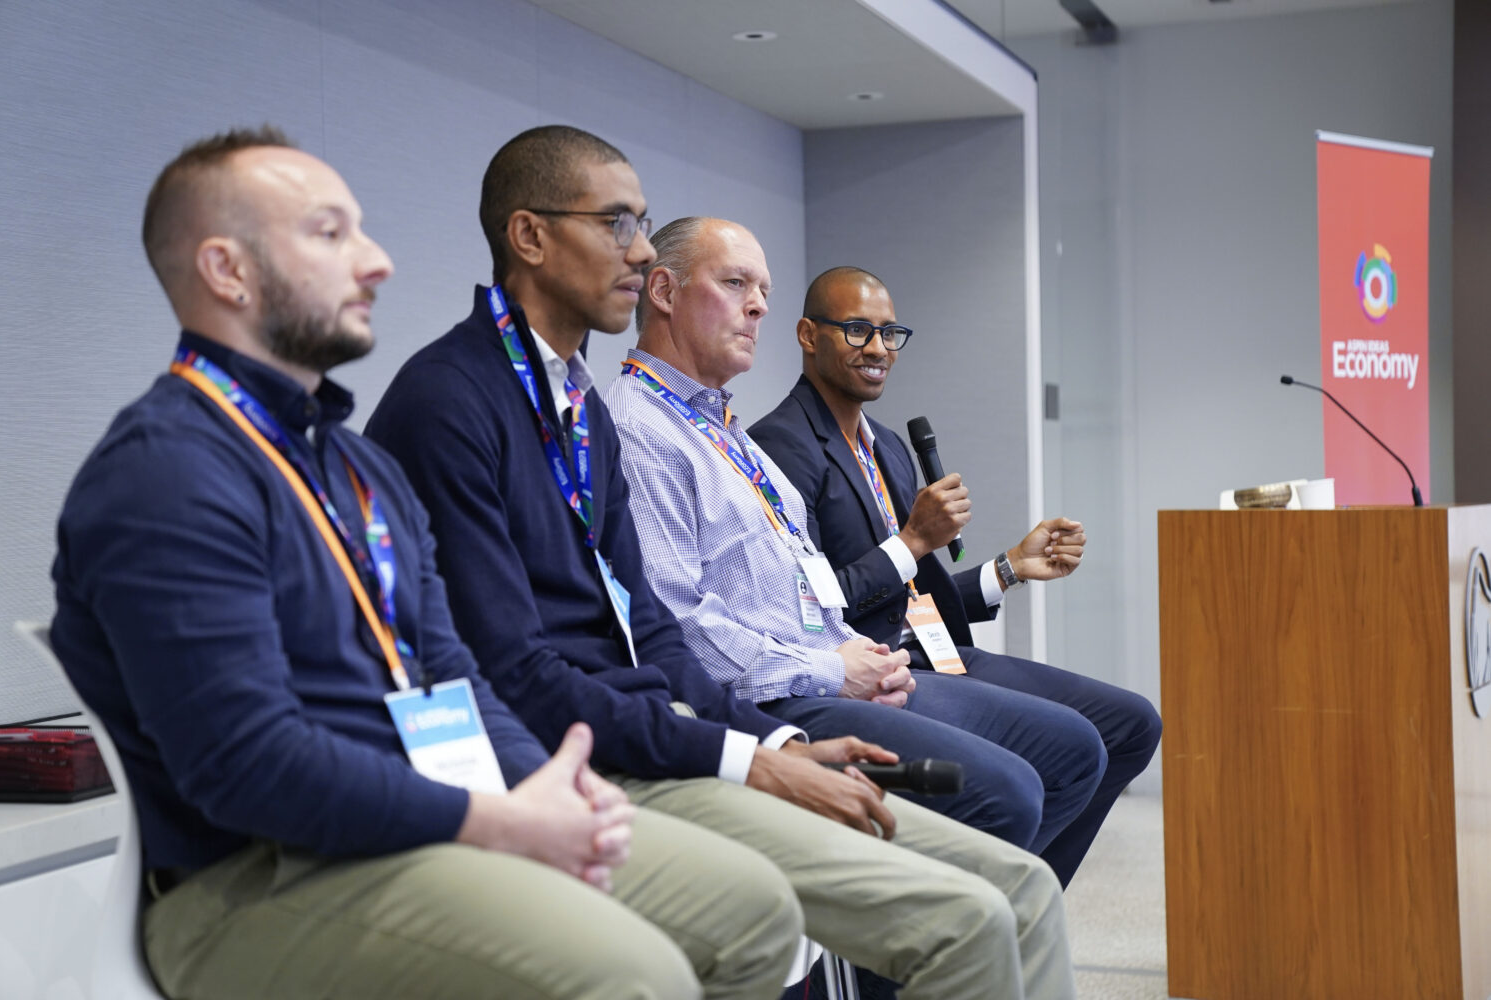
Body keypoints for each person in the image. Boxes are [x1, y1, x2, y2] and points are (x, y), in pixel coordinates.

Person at [49, 126, 806, 1000]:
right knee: (634, 975)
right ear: (227, 270)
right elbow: (248, 765)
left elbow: (455, 677)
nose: (376, 261)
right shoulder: (166, 471)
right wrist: (492, 817)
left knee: (752, 911)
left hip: (423, 822)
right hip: (259, 877)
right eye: (330, 233)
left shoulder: (355, 467)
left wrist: (542, 789)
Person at [366, 125, 1075, 1000]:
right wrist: (746, 751)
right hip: (590, 752)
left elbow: (649, 627)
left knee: (1023, 891)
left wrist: (767, 741)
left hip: (679, 718)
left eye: (642, 224)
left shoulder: (579, 408)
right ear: (530, 236)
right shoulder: (456, 402)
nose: (638, 251)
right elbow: (519, 668)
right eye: (617, 224)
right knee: (938, 905)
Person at [604, 216, 1104, 866]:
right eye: (735, 283)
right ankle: (943, 922)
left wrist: (858, 651)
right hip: (777, 696)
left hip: (852, 661)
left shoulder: (731, 430)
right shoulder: (643, 430)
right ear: (665, 291)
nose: (757, 306)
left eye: (763, 290)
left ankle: (981, 912)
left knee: (1077, 748)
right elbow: (678, 624)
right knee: (1008, 791)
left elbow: (807, 586)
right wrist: (838, 668)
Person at [748, 265, 1162, 886]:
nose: (878, 348)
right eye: (858, 330)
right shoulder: (778, 447)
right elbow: (812, 608)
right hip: (869, 669)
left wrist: (1009, 568)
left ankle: (1012, 904)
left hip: (933, 650)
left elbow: (913, 594)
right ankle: (991, 908)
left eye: (890, 333)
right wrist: (914, 539)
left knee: (1132, 724)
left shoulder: (887, 445)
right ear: (809, 335)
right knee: (1070, 748)